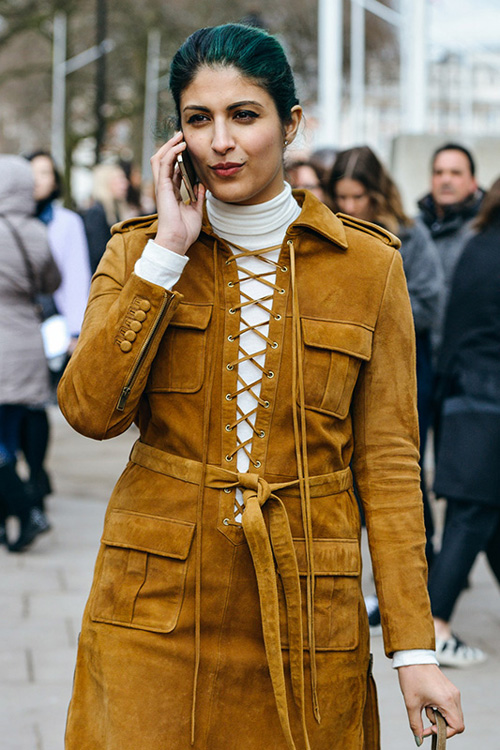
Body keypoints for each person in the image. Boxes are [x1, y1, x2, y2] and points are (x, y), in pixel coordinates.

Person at [58, 24, 463, 750]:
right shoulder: (138, 250)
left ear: (291, 123)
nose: (221, 141)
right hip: (154, 612)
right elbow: (89, 412)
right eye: (198, 119)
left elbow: (392, 467)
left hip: (309, 605)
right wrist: (169, 254)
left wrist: (414, 650)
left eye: (245, 115)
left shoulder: (368, 266)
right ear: (177, 134)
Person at [327, 146, 443, 576]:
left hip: (405, 372)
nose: (351, 206)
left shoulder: (409, 236)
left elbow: (431, 304)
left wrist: (372, 319)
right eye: (343, 197)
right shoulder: (326, 232)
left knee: (399, 475)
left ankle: (419, 578)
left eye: (360, 197)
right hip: (342, 371)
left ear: (377, 193)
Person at [428, 177, 500, 667]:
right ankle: (433, 627)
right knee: (470, 518)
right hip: (489, 401)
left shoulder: (478, 245)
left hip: (463, 396)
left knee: (486, 518)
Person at [20, 151, 92, 527]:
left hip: (50, 329)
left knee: (34, 406)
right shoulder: (11, 218)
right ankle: (32, 483)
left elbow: (77, 275)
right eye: (31, 173)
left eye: (45, 173)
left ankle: (34, 478)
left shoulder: (65, 222)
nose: (37, 180)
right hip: (14, 328)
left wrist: (76, 330)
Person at [0, 155, 61, 552]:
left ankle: (25, 510)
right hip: (25, 341)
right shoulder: (34, 232)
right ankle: (14, 518)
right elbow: (52, 280)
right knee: (8, 433)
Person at [416, 142, 484, 352]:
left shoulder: (484, 234)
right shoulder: (413, 231)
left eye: (455, 173)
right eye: (439, 172)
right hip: (420, 361)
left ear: (473, 182)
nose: (446, 179)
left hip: (466, 363)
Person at [83, 163, 132, 274]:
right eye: (119, 180)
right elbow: (98, 253)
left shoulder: (113, 211)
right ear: (105, 183)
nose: (125, 184)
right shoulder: (96, 213)